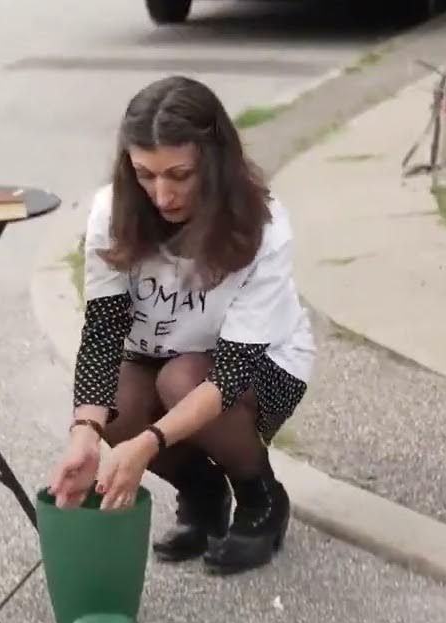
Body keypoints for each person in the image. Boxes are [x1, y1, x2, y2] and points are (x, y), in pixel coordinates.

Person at [47, 75, 316, 576]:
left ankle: (260, 497)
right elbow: (104, 333)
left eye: (179, 174)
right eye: (145, 175)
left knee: (182, 380)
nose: (162, 194)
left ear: (213, 164)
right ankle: (202, 492)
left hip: (261, 369)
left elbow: (230, 373)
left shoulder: (263, 226)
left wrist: (147, 443)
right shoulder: (113, 212)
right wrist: (84, 433)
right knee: (115, 403)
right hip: (161, 352)